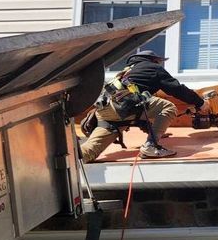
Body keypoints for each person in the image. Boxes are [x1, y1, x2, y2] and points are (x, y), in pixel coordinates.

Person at [79, 50, 207, 162]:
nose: (160, 64)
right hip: (124, 106)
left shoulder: (127, 71)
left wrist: (154, 130)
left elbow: (139, 114)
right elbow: (177, 89)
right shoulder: (153, 68)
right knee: (168, 107)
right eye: (159, 62)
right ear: (154, 60)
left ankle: (73, 160)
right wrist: (200, 103)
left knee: (89, 151)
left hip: (105, 111)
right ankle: (151, 146)